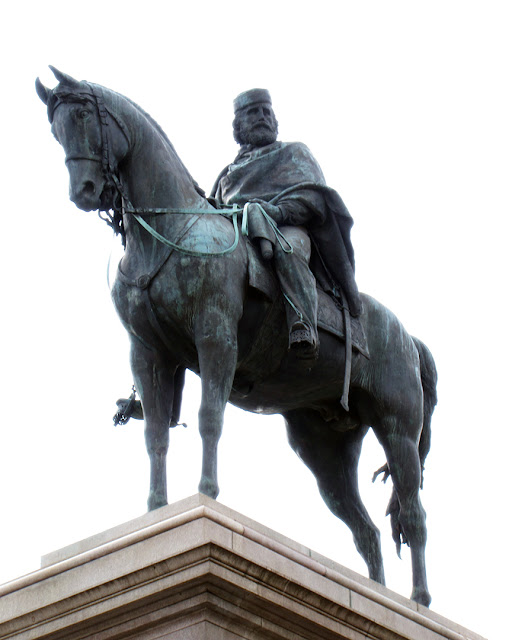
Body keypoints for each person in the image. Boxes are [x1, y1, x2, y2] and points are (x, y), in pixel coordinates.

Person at [211, 89, 361, 359]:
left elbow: (313, 197)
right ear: (238, 127)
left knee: (288, 250)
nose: (262, 117)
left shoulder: (294, 152)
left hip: (285, 227)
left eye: (267, 112)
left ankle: (303, 323)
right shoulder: (226, 176)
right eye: (253, 113)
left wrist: (278, 212)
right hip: (239, 233)